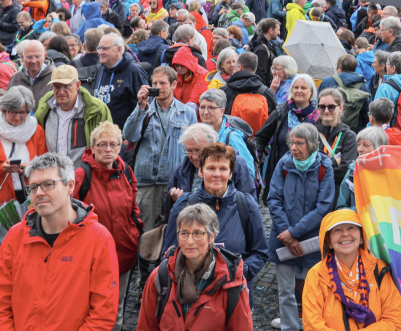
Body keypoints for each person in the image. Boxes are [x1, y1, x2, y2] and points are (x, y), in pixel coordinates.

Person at [0, 152, 120, 330]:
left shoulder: (99, 239)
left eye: (48, 184)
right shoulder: (15, 236)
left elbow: (102, 313)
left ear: (70, 186)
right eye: (33, 187)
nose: (39, 193)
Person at [162, 142, 267, 299]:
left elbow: (259, 251)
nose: (217, 174)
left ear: (231, 173)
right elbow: (169, 251)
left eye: (223, 169)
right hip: (193, 293)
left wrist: (238, 272)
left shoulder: (246, 204)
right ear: (201, 171)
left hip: (235, 293)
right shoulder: (184, 204)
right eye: (211, 168)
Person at [138, 203, 253, 331]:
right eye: (184, 233)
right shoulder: (160, 276)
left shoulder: (231, 282)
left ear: (211, 237)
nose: (190, 241)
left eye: (198, 233)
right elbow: (146, 325)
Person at [74, 122, 142, 331]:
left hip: (122, 252)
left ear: (120, 147)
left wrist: (135, 232)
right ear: (92, 148)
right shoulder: (81, 174)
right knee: (87, 305)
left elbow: (134, 209)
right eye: (102, 145)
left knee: (117, 306)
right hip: (89, 256)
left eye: (113, 144)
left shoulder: (127, 172)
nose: (108, 149)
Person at [267, 123, 336, 331]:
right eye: (292, 142)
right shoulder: (284, 164)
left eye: (299, 143)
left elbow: (323, 207)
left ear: (312, 144)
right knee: (285, 290)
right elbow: (274, 200)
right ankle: (289, 326)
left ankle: (311, 325)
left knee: (313, 290)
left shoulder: (325, 167)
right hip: (282, 236)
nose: (294, 147)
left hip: (311, 239)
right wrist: (287, 234)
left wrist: (293, 233)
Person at [301, 209, 401, 331]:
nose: (345, 234)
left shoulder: (378, 270)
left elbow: (395, 320)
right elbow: (312, 325)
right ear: (328, 241)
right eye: (337, 230)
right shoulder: (317, 275)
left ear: (361, 237)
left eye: (351, 228)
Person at [124, 65, 198, 233]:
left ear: (174, 84)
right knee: (147, 233)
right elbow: (129, 135)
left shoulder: (187, 113)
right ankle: (146, 261)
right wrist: (140, 107)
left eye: (163, 83)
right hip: (147, 182)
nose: (158, 87)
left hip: (175, 182)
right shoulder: (144, 110)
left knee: (176, 230)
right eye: (154, 83)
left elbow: (194, 149)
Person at [0, 86, 48, 242]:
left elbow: (44, 165)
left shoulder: (36, 131)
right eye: (13, 112)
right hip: (1, 202)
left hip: (30, 200)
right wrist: (1, 168)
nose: (18, 117)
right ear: (5, 110)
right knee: (1, 252)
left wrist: (29, 168)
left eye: (22, 112)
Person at [255, 73, 320, 201]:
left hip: (312, 176)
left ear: (311, 91)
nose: (299, 91)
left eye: (303, 88)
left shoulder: (319, 115)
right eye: (296, 87)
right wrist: (256, 160)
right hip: (282, 174)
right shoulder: (281, 112)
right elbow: (261, 138)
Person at [35, 64, 112, 162]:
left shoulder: (97, 109)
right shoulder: (45, 105)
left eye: (66, 86)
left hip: (84, 174)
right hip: (52, 173)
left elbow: (108, 144)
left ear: (78, 85)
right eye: (56, 87)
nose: (61, 92)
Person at [92, 33, 149, 129]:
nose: (100, 52)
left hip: (123, 138)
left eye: (105, 48)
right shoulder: (101, 69)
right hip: (102, 136)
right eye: (99, 48)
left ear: (119, 50)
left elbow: (144, 108)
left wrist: (130, 137)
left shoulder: (133, 71)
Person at [197, 89, 256, 178]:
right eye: (202, 107)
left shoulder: (232, 137)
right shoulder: (196, 132)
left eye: (211, 108)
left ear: (222, 111)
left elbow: (248, 173)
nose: (205, 112)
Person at [315, 88, 358, 196]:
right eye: (322, 107)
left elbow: (345, 171)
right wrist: (334, 162)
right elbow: (303, 166)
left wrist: (317, 171)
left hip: (336, 194)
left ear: (341, 108)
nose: (326, 111)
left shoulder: (349, 136)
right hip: (312, 194)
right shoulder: (310, 133)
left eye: (331, 107)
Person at [336, 127, 389, 211]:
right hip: (356, 222)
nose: (360, 149)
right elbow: (341, 207)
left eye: (365, 145)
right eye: (358, 144)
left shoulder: (390, 172)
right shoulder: (352, 171)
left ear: (379, 148)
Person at [8, 39, 56, 105]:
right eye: (29, 57)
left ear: (44, 56)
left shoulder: (55, 77)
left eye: (37, 56)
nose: (33, 61)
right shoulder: (15, 78)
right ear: (23, 57)